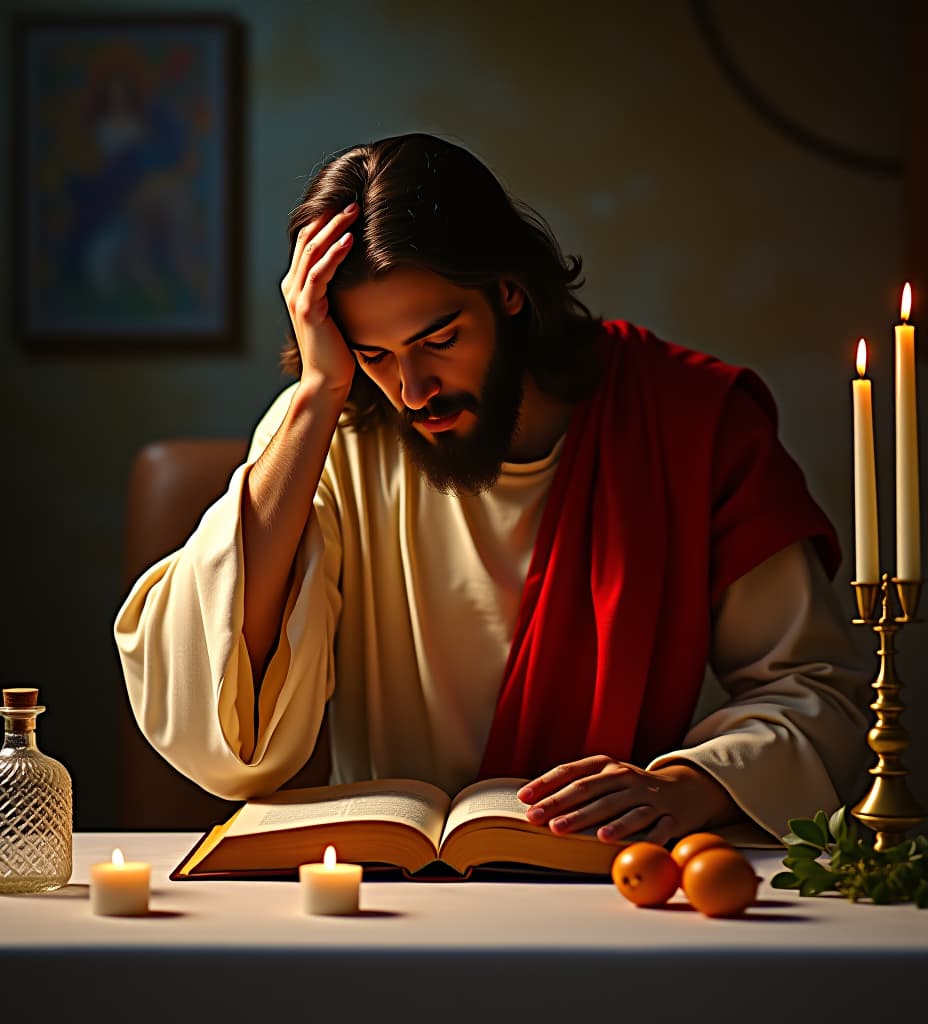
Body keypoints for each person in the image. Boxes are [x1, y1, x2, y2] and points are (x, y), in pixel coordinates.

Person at [114, 132, 871, 846]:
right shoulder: (331, 432)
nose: (412, 390)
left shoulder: (691, 422)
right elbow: (224, 720)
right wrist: (318, 390)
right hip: (393, 892)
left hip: (610, 873)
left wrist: (687, 786)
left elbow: (818, 697)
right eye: (374, 353)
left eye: (439, 340)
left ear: (510, 292)